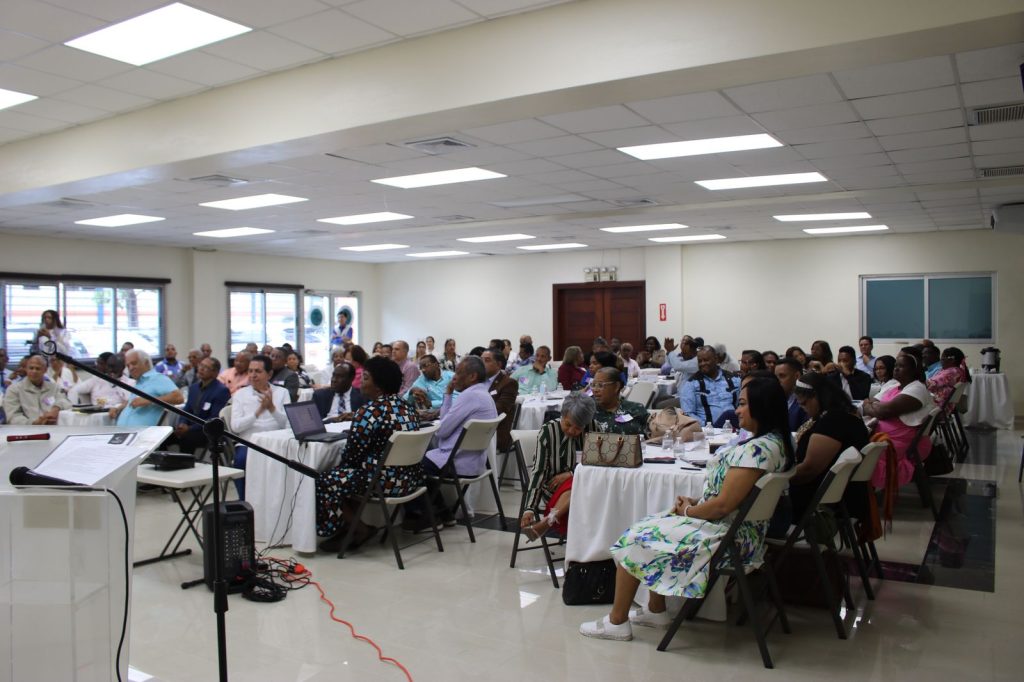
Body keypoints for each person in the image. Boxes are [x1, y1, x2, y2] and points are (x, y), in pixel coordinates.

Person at [580, 378, 794, 641]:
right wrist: (694, 503)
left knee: (634, 537)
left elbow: (723, 506)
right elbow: (733, 499)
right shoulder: (777, 443)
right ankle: (656, 610)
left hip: (729, 541)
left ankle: (616, 621)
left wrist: (689, 513)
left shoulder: (757, 450)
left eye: (742, 404)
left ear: (762, 406)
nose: (736, 410)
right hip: (744, 534)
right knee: (656, 521)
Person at [314, 357, 420, 550]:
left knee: (326, 479)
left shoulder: (368, 412)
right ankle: (351, 527)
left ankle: (359, 528)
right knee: (350, 475)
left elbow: (352, 457)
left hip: (384, 484)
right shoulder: (408, 408)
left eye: (365, 378)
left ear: (378, 386)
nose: (360, 382)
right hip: (410, 480)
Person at [785, 372, 870, 524]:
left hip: (820, 502)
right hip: (838, 495)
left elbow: (809, 470)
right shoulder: (842, 414)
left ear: (817, 397)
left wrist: (778, 480)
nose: (803, 408)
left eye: (804, 403)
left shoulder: (833, 422)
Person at [520, 393, 596, 542]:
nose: (572, 431)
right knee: (577, 487)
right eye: (568, 424)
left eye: (579, 428)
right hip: (553, 488)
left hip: (587, 485)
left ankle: (548, 521)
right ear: (562, 415)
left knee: (578, 483)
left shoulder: (594, 429)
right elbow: (539, 471)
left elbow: (597, 465)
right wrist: (530, 508)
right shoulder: (548, 431)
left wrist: (571, 473)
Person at [861, 354, 935, 489]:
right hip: (884, 434)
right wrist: (872, 407)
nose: (896, 369)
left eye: (901, 366)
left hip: (900, 441)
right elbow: (873, 405)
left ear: (914, 370)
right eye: (896, 366)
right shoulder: (894, 387)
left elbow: (883, 411)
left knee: (851, 445)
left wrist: (871, 407)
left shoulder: (917, 389)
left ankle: (856, 491)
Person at [230, 354, 289, 498]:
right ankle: (244, 503)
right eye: (250, 371)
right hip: (248, 443)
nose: (253, 375)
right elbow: (235, 427)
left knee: (290, 461)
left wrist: (272, 408)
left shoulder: (282, 392)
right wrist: (257, 412)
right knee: (241, 460)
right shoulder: (240, 395)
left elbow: (287, 424)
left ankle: (277, 500)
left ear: (269, 374)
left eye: (258, 371)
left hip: (276, 442)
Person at [165, 356, 230, 454]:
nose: (201, 369)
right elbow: (187, 409)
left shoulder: (221, 391)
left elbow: (214, 418)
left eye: (206, 367)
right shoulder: (193, 388)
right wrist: (182, 424)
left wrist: (190, 429)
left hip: (206, 431)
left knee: (187, 439)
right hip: (189, 427)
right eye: (201, 365)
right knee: (165, 437)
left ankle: (184, 465)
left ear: (215, 373)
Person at [110, 349, 183, 426]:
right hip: (126, 433)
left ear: (146, 363)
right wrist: (118, 408)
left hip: (145, 435)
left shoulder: (157, 378)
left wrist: (149, 400)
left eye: (134, 363)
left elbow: (178, 397)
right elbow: (133, 401)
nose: (131, 368)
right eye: (128, 366)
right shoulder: (139, 382)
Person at [680, 346, 740, 428]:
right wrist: (707, 426)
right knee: (728, 413)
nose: (702, 363)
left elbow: (743, 405)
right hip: (708, 430)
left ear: (716, 359)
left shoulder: (734, 379)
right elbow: (688, 413)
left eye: (706, 360)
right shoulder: (691, 384)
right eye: (700, 361)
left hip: (735, 427)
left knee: (730, 413)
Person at [3, 355, 71, 424]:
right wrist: (34, 423)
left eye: (38, 368)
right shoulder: (14, 389)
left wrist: (56, 409)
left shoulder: (54, 387)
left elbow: (65, 401)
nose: (34, 371)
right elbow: (13, 416)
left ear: (45, 370)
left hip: (53, 428)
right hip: (26, 430)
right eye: (31, 368)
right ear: (26, 369)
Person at [591, 367, 648, 436]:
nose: (595, 390)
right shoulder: (589, 412)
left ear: (616, 386)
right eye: (593, 385)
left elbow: (653, 430)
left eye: (600, 385)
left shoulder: (635, 408)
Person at [481, 349, 519, 453]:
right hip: (477, 428)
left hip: (495, 432)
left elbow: (498, 410)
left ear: (498, 364)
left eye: (487, 360)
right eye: (481, 360)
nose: (482, 363)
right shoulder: (477, 381)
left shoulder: (508, 383)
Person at [774, 357, 809, 431]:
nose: (777, 381)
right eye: (775, 377)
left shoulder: (806, 403)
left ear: (797, 376)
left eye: (782, 376)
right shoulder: (773, 399)